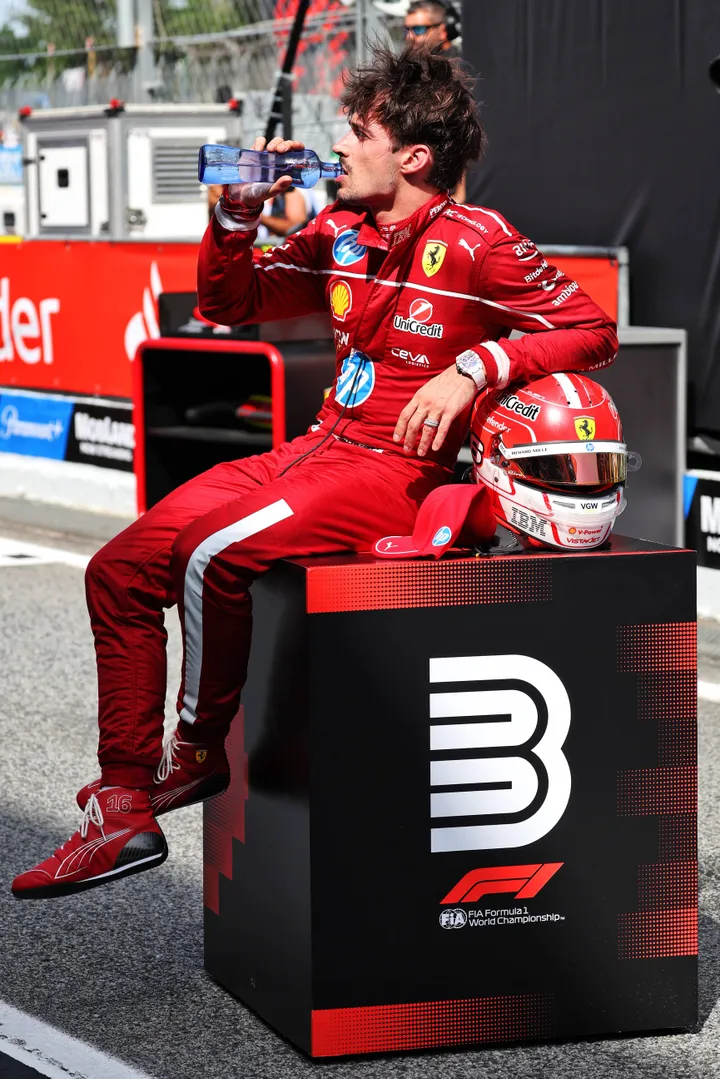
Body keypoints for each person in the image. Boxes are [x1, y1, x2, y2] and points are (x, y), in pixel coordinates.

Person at [12, 44, 618, 899]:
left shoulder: (481, 241)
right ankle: (121, 802)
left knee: (214, 554)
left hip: (396, 470)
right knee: (119, 569)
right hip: (315, 447)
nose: (340, 145)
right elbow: (230, 304)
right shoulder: (337, 231)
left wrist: (476, 366)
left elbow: (595, 328)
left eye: (359, 131)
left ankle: (189, 760)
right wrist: (231, 221)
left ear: (413, 155)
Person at [403, 1, 468, 200]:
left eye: (419, 29)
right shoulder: (410, 69)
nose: (410, 36)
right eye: (407, 29)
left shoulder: (460, 66)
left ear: (442, 29)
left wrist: (461, 193)